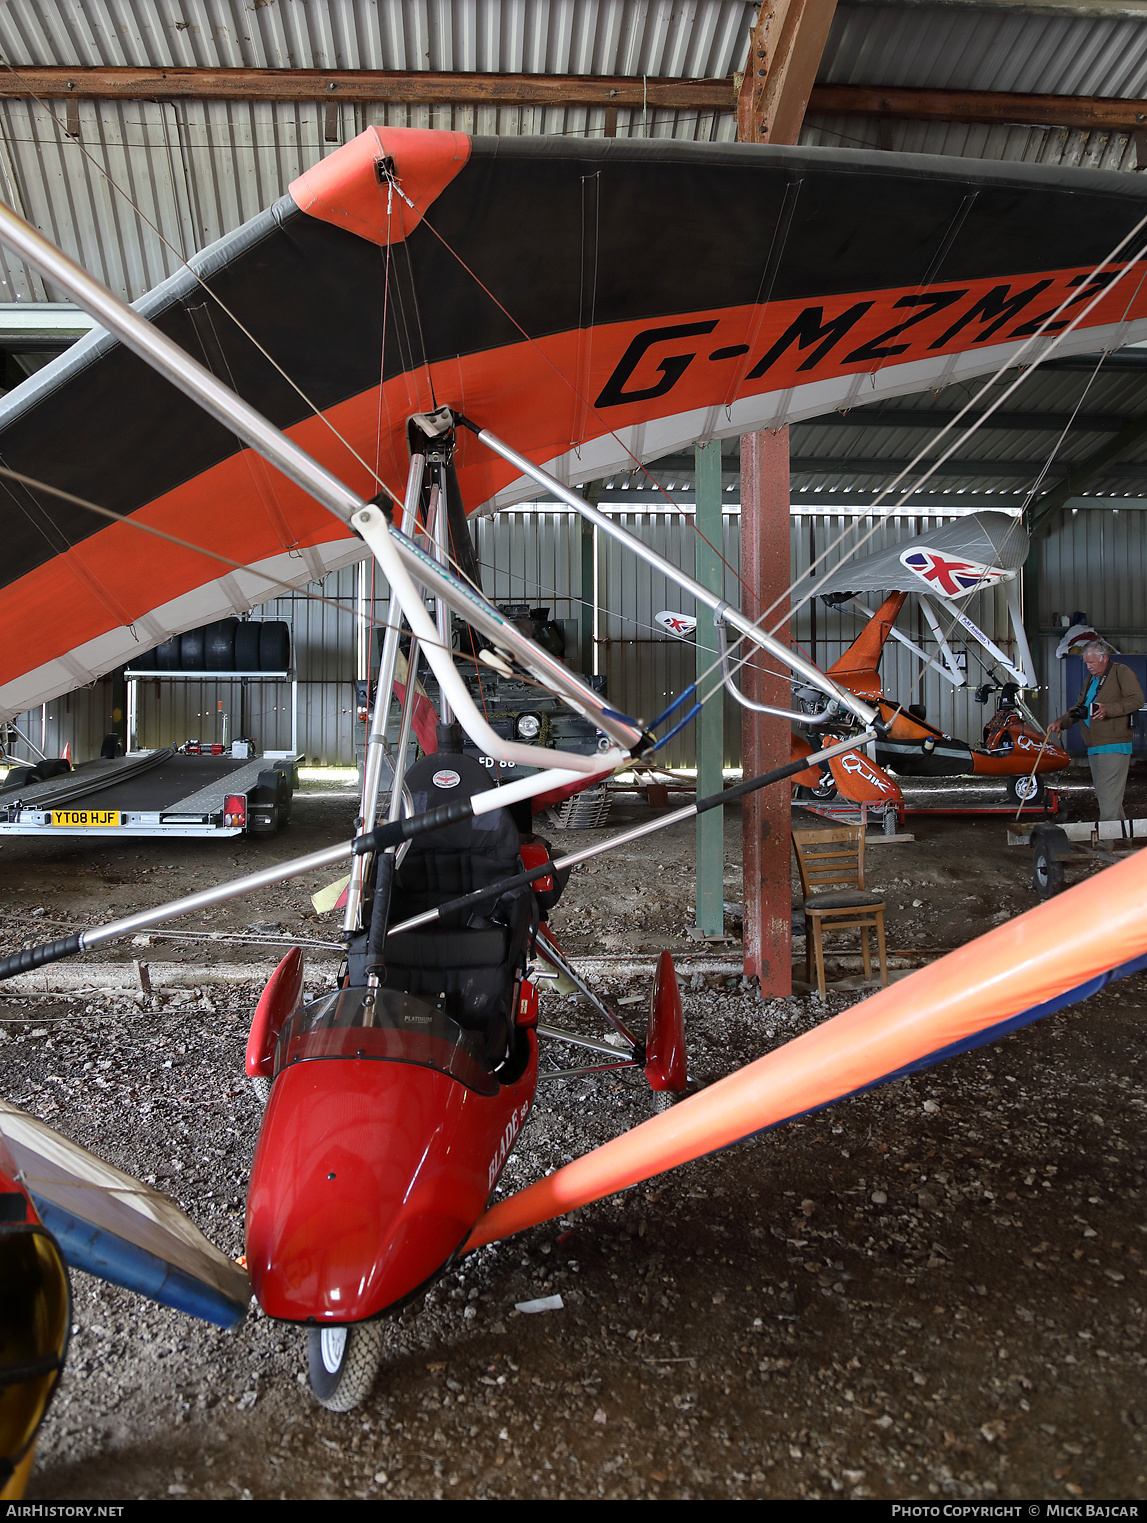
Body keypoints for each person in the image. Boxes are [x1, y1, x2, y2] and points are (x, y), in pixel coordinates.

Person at [1049, 642, 1144, 821]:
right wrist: (1062, 722)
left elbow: (1137, 700)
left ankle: (1104, 845)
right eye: (1086, 663)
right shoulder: (1091, 680)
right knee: (1107, 796)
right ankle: (1123, 840)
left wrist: (1109, 709)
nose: (1089, 666)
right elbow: (1080, 707)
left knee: (1108, 797)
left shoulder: (1121, 672)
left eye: (1092, 662)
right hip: (1095, 745)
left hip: (1114, 745)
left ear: (1104, 658)